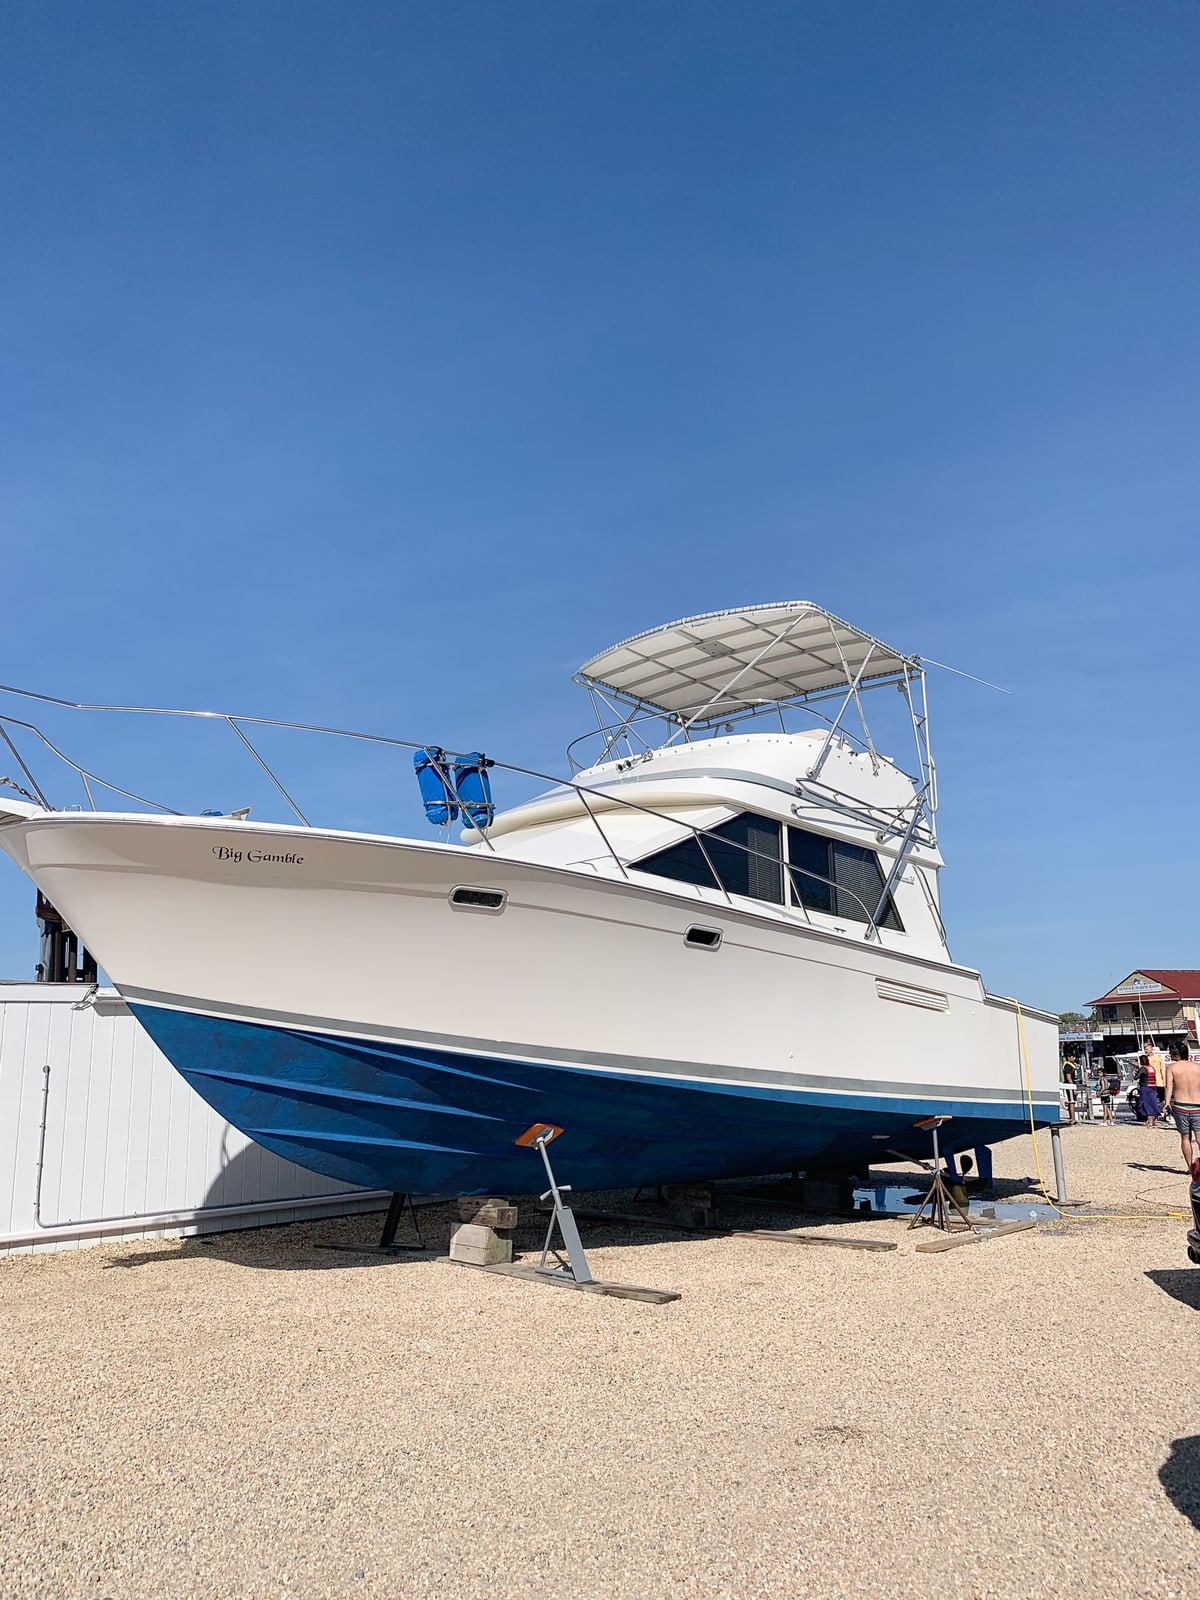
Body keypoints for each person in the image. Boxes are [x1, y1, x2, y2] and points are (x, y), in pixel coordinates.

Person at [1163, 1041, 1200, 1170]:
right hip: (1197, 1105)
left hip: (1180, 1105)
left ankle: (1191, 1168)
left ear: (1174, 1054)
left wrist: (1167, 1103)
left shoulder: (1171, 1068)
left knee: (1185, 1138)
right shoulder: (1197, 1067)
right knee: (1199, 1136)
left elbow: (1169, 1087)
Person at [1137, 1054, 1161, 1129]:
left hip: (1145, 1088)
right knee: (1153, 1103)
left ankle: (1149, 1121)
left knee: (1145, 1104)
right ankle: (1154, 1120)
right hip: (1153, 1087)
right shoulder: (1152, 1068)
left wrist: (1135, 1072)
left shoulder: (1143, 1069)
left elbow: (1136, 1077)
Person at [1097, 1058, 1115, 1124]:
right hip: (1107, 1094)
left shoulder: (1102, 1079)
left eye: (1100, 1073)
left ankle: (1104, 1121)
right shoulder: (1105, 1079)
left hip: (1104, 1094)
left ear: (1103, 1073)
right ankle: (1111, 1121)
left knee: (1105, 1108)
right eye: (1098, 1073)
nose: (1099, 1074)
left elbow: (1103, 1087)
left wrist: (1099, 1093)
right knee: (1107, 1108)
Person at [1062, 1057, 1078, 1124]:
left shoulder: (1072, 1065)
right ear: (1068, 1058)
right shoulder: (1068, 1066)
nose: (1074, 1058)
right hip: (1070, 1086)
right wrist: (1073, 1088)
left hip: (1073, 1084)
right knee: (1071, 1102)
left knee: (1073, 1102)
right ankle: (1072, 1119)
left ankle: (1072, 1118)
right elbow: (1069, 1078)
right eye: (1072, 1057)